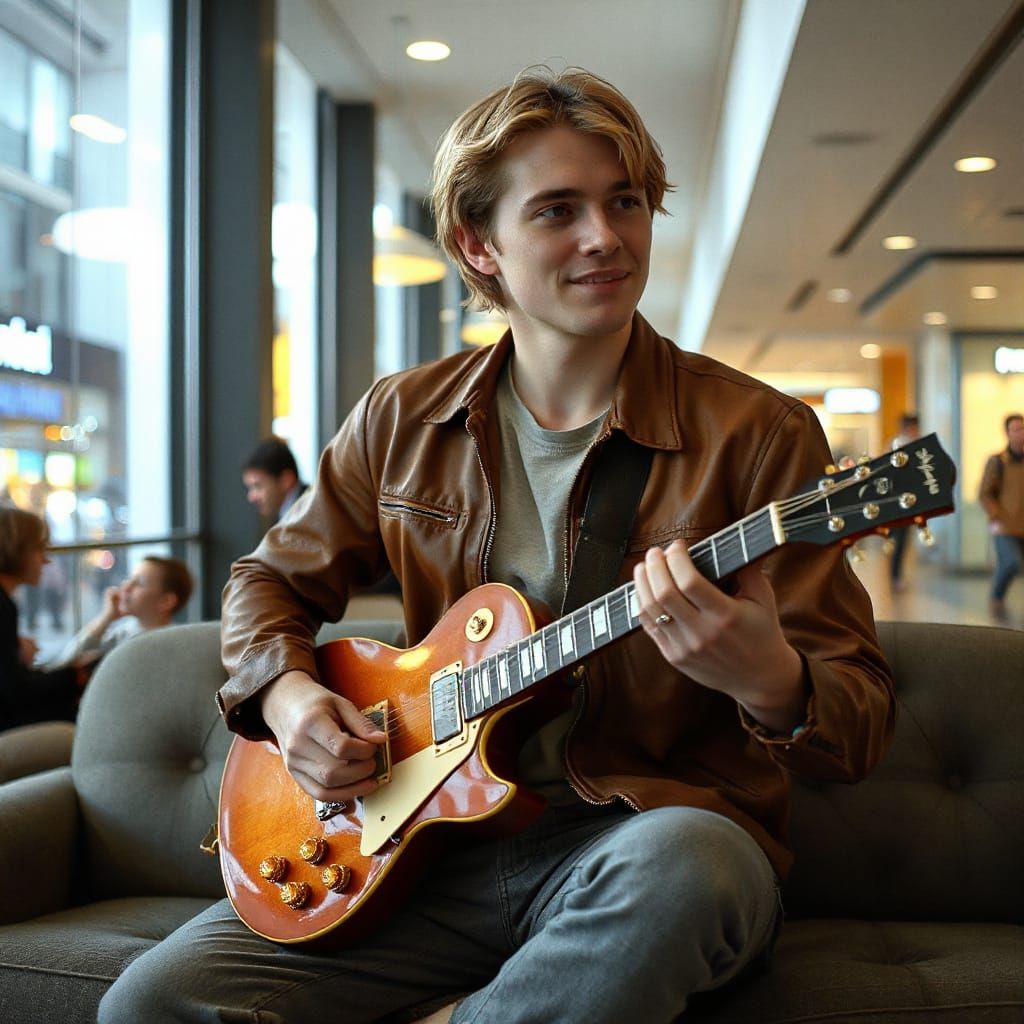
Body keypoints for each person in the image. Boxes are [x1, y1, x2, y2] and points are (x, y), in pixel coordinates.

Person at [99, 67, 895, 1024]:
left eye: (626, 202)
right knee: (152, 1004)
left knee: (694, 864)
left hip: (635, 845)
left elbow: (859, 714)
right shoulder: (400, 417)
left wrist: (771, 681)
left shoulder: (761, 434)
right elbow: (269, 578)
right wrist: (290, 693)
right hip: (418, 848)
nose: (605, 236)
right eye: (558, 210)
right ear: (481, 244)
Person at [0, 507, 91, 731]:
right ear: (16, 550)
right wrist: (75, 675)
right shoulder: (3, 606)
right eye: (39, 549)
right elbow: (16, 693)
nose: (46, 560)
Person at [56, 555, 194, 666]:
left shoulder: (178, 644)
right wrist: (106, 617)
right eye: (129, 578)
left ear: (166, 601)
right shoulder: (123, 633)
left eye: (139, 583)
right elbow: (67, 663)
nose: (126, 586)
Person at [978, 412, 1024, 621]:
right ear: (1007, 433)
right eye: (1016, 429)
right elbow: (985, 493)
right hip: (1004, 526)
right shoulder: (998, 461)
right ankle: (996, 596)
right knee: (1011, 562)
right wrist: (995, 515)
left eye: (1023, 429)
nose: (1021, 434)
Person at [887, 412, 921, 592]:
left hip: (910, 500)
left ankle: (896, 574)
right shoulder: (897, 444)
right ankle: (894, 575)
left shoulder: (919, 445)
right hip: (896, 500)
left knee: (902, 540)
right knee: (898, 539)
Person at [241, 436, 308, 521]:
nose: (251, 497)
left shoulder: (311, 515)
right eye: (250, 488)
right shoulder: (285, 515)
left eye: (258, 486)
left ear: (286, 481)